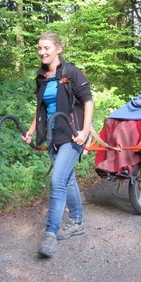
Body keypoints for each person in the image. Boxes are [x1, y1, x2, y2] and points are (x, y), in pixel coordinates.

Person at [22, 31, 93, 258]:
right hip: (52, 134)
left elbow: (88, 102)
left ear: (58, 49)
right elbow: (40, 107)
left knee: (57, 180)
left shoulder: (70, 72)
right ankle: (77, 222)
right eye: (39, 48)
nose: (42, 52)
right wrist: (31, 131)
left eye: (47, 48)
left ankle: (50, 234)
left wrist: (84, 131)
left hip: (72, 135)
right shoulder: (41, 75)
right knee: (67, 178)